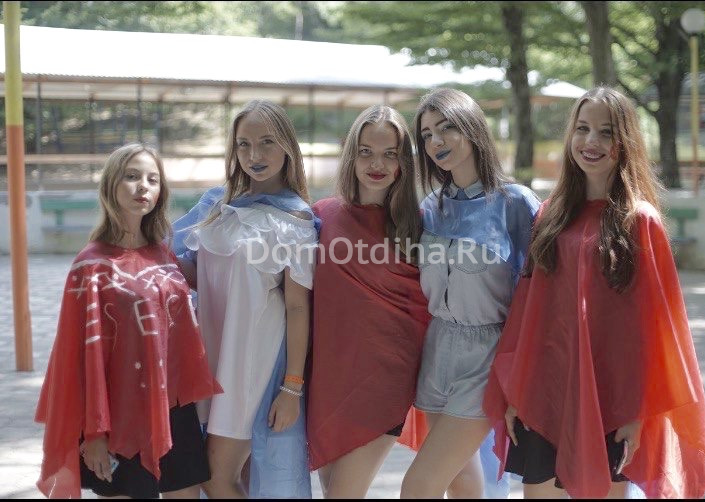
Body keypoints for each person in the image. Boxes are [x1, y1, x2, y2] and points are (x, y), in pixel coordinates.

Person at [483, 87, 705, 498]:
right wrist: (516, 391)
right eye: (582, 129)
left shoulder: (640, 220)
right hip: (546, 391)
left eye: (606, 132)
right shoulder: (550, 214)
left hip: (612, 398)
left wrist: (636, 413)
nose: (590, 141)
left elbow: (655, 328)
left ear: (624, 142)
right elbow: (529, 310)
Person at [35, 143, 221, 499]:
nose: (143, 187)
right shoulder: (90, 264)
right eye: (132, 176)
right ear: (111, 185)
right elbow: (79, 357)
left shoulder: (164, 254)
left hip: (173, 409)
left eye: (153, 179)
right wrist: (94, 434)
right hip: (117, 414)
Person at [171, 100, 318, 498]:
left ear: (287, 146)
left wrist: (292, 388)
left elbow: (297, 307)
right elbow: (197, 277)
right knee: (219, 475)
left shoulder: (297, 219)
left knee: (215, 476)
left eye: (267, 142)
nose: (255, 155)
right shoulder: (217, 205)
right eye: (244, 144)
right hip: (209, 355)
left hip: (252, 363)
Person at [400, 88, 540, 498]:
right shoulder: (430, 207)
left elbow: (538, 294)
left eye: (446, 128)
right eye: (427, 134)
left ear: (472, 128)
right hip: (437, 350)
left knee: (419, 485)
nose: (436, 142)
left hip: (488, 355)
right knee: (461, 479)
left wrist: (523, 376)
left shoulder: (515, 204)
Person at [305, 105, 430, 498]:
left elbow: (428, 306)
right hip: (327, 379)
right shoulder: (321, 216)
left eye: (390, 154)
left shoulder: (420, 226)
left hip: (384, 382)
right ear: (351, 155)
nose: (377, 164)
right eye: (366, 152)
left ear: (403, 162)